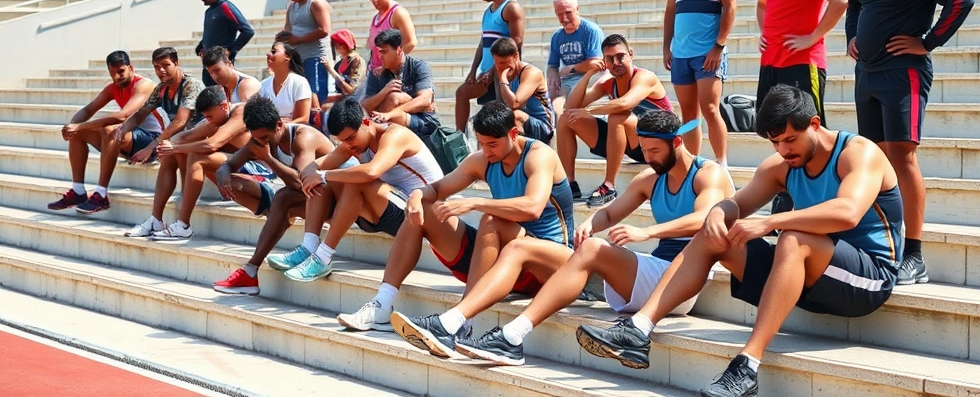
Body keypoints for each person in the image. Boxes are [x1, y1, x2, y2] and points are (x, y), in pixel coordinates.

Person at [576, 86, 904, 397]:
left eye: (790, 140)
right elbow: (736, 203)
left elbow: (847, 212)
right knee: (714, 232)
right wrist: (719, 214)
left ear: (814, 124)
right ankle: (639, 328)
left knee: (792, 238)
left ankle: (747, 366)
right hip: (812, 276)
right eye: (775, 143)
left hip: (868, 278)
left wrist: (769, 222)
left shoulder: (859, 153)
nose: (784, 150)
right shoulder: (782, 164)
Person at [454, 110, 734, 366]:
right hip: (657, 276)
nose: (648, 158)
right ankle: (511, 336)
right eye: (644, 150)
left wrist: (647, 231)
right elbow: (610, 214)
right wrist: (590, 222)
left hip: (685, 281)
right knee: (590, 245)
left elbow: (704, 219)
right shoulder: (650, 178)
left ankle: (512, 336)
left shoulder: (708, 174)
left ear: (676, 143)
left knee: (593, 250)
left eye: (654, 151)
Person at [845, 0, 973, 285]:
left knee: (902, 157)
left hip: (904, 72)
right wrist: (852, 36)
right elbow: (855, 5)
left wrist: (928, 41)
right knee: (874, 161)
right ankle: (883, 244)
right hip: (866, 72)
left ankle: (914, 256)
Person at [390, 101, 575, 359]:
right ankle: (384, 302)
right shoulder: (484, 159)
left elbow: (533, 207)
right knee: (426, 212)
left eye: (492, 144)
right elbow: (437, 189)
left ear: (513, 134)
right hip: (511, 260)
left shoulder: (539, 155)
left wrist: (476, 202)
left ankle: (460, 322)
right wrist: (417, 195)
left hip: (555, 265)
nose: (485, 151)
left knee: (491, 219)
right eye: (481, 143)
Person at [269, 98, 444, 282]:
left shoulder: (395, 135)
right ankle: (309, 247)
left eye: (351, 138)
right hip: (389, 209)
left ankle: (323, 256)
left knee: (354, 180)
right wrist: (311, 174)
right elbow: (314, 167)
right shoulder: (353, 141)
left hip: (421, 213)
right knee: (324, 180)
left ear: (366, 122)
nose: (349, 145)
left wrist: (321, 174)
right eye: (343, 141)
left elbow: (371, 171)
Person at [211, 96, 336, 295]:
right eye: (257, 138)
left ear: (279, 125)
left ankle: (303, 252)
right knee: (281, 199)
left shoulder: (303, 138)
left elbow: (304, 182)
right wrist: (223, 173)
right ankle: (250, 272)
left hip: (335, 201)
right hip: (312, 202)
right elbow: (229, 164)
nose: (261, 143)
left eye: (266, 139)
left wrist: (268, 158)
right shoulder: (261, 137)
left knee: (283, 197)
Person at [75, 47, 203, 214]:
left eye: (165, 65)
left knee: (175, 150)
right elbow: (139, 114)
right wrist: (121, 131)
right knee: (168, 154)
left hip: (200, 134)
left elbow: (180, 122)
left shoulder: (190, 85)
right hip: (177, 137)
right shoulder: (161, 89)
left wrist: (150, 147)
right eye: (157, 67)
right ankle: (156, 218)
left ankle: (187, 199)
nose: (161, 70)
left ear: (176, 63)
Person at [124, 86, 260, 240]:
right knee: (172, 152)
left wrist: (175, 147)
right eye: (205, 117)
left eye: (210, 116)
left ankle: (183, 225)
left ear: (223, 106)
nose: (208, 120)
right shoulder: (215, 118)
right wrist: (169, 147)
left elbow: (212, 144)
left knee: (195, 156)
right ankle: (156, 220)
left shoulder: (240, 113)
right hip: (228, 164)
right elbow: (180, 138)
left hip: (255, 167)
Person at [559, 34, 673, 206]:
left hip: (656, 142)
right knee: (566, 119)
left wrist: (587, 111)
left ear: (631, 54)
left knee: (617, 116)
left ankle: (609, 185)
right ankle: (570, 184)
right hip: (630, 141)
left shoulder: (644, 77)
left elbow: (624, 103)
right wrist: (589, 73)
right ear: (604, 62)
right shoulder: (608, 82)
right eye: (610, 59)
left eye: (620, 56)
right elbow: (571, 105)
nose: (616, 63)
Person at [662, 0, 736, 168]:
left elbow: (730, 6)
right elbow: (671, 10)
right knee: (688, 114)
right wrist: (666, 46)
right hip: (681, 53)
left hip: (708, 51)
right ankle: (693, 165)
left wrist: (719, 46)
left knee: (711, 109)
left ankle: (721, 164)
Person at [47, 51, 160, 212]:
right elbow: (88, 110)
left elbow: (123, 115)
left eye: (121, 71)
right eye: (113, 73)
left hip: (152, 141)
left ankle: (101, 195)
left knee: (109, 129)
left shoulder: (143, 85)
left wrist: (80, 126)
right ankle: (78, 191)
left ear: (131, 68)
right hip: (129, 139)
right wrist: (71, 126)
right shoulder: (113, 88)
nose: (118, 76)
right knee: (77, 132)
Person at [454, 0, 525, 134]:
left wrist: (495, 70)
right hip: (487, 72)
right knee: (462, 93)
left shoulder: (511, 7)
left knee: (502, 118)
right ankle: (459, 137)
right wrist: (472, 70)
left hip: (504, 73)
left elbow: (517, 41)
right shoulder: (488, 11)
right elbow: (483, 42)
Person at [361, 29, 441, 142]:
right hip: (389, 120)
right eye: (378, 51)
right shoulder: (377, 73)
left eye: (384, 52)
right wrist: (384, 91)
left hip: (423, 121)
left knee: (395, 98)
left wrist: (391, 113)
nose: (379, 56)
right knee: (391, 98)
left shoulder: (418, 66)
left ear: (398, 50)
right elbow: (365, 104)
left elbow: (425, 100)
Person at [547, 0, 604, 120]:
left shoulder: (591, 30)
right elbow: (552, 65)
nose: (564, 18)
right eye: (559, 14)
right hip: (569, 79)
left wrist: (572, 68)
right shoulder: (557, 36)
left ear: (577, 10)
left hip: (591, 77)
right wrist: (552, 79)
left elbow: (595, 64)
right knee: (550, 98)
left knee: (572, 99)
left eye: (568, 13)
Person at [276, 0, 332, 104]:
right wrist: (282, 37)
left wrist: (299, 39)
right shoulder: (292, 5)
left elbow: (324, 30)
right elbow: (289, 27)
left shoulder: (316, 3)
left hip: (314, 57)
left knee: (315, 95)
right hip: (298, 58)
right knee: (300, 95)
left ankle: (317, 123)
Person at [490, 37, 554, 145]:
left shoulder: (532, 73)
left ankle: (520, 154)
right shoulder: (500, 71)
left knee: (516, 115)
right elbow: (502, 105)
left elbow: (514, 103)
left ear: (516, 56)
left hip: (543, 127)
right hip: (518, 122)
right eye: (498, 63)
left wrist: (503, 80)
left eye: (505, 62)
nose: (501, 67)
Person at [193, 0, 254, 87]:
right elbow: (210, 33)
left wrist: (230, 50)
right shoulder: (209, 12)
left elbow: (248, 31)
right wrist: (201, 45)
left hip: (221, 66)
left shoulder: (225, 7)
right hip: (208, 65)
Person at [364, 0, 417, 73]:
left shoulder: (398, 13)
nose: (374, 1)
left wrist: (388, 66)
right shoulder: (376, 17)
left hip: (391, 73)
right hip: (374, 72)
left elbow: (410, 42)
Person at [259, 42, 312, 125]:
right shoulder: (264, 85)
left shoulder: (300, 83)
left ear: (287, 57)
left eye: (274, 52)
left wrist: (282, 126)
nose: (268, 54)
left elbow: (303, 118)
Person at [323, 29, 366, 103]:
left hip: (355, 101)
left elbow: (351, 90)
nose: (338, 47)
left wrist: (331, 71)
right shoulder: (339, 64)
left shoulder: (355, 60)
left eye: (340, 44)